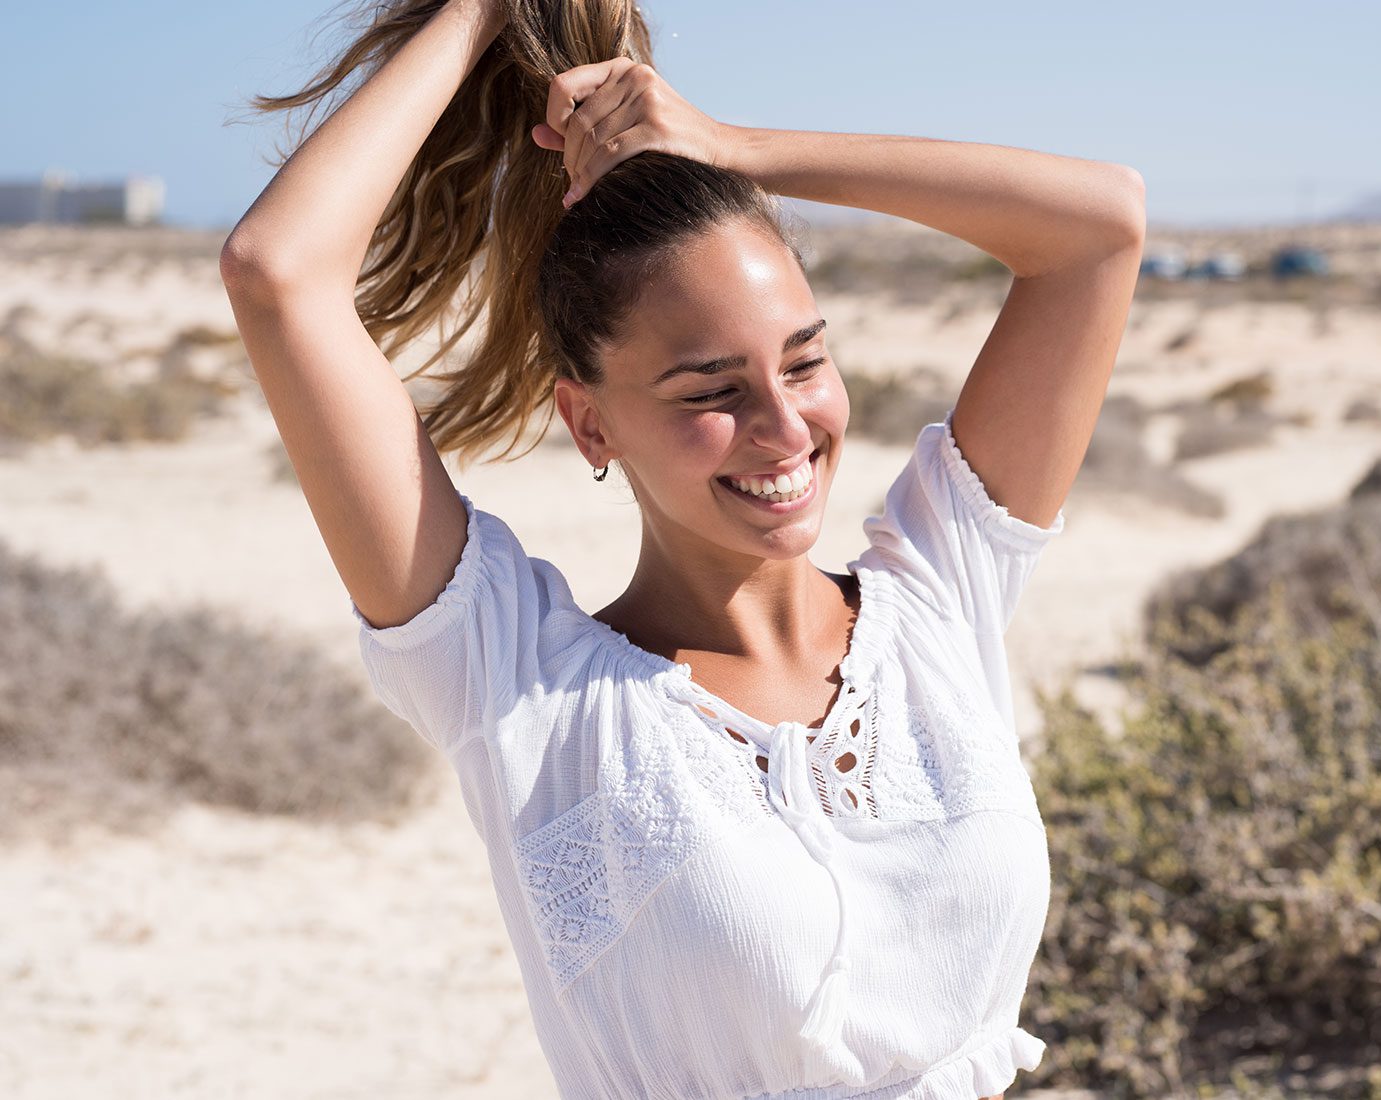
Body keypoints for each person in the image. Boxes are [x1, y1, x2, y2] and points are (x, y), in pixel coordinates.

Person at [220, 0, 1144, 1095]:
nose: (787, 428)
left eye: (802, 363)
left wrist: (734, 148)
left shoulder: (942, 592)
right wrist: (482, 8)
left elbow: (1100, 228)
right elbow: (279, 270)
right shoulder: (518, 688)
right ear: (590, 422)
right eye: (713, 391)